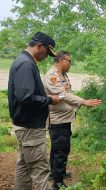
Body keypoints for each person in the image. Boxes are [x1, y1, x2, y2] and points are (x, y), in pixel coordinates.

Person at [43, 50, 102, 190]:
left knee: (58, 148)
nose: (70, 64)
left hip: (64, 118)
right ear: (61, 60)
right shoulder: (52, 76)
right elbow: (63, 94)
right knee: (61, 150)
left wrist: (79, 104)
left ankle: (56, 172)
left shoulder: (63, 75)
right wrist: (83, 101)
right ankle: (57, 183)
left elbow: (68, 94)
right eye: (69, 61)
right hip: (58, 120)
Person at [8, 32, 60, 190]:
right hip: (30, 128)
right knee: (40, 170)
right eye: (47, 53)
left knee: (23, 168)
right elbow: (26, 97)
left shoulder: (24, 61)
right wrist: (50, 99)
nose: (47, 57)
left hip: (25, 125)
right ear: (39, 46)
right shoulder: (26, 64)